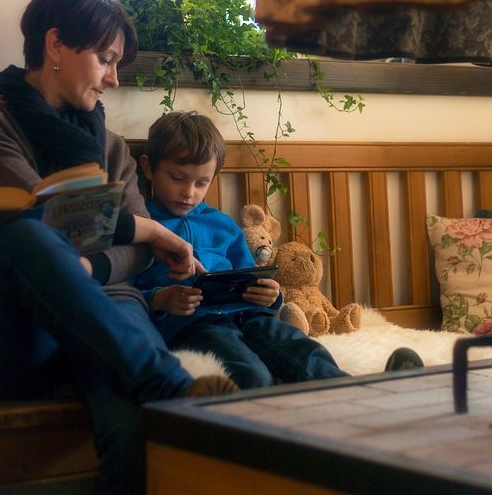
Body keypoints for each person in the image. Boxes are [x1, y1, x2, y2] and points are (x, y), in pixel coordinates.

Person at [0, 0, 235, 494]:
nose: (114, 79)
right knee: (28, 238)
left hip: (108, 316)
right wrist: (141, 227)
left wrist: (91, 265)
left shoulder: (113, 148)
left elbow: (141, 256)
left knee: (132, 428)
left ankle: (158, 389)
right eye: (106, 58)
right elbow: (42, 223)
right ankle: (165, 382)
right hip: (10, 336)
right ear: (55, 45)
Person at [133, 111, 354, 388]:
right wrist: (160, 300)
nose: (189, 192)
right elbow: (122, 294)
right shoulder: (141, 227)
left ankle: (365, 395)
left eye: (202, 182)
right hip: (195, 326)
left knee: (304, 351)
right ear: (149, 167)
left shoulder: (223, 225)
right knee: (253, 375)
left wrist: (271, 296)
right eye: (177, 178)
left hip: (248, 316)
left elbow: (251, 277)